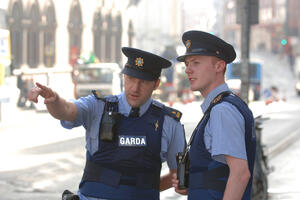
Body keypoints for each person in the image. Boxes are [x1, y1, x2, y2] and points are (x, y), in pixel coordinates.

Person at [28, 47, 186, 200]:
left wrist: (142, 187)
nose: (135, 88)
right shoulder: (97, 107)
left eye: (143, 82)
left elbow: (179, 175)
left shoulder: (169, 122)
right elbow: (67, 110)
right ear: (124, 77)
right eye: (131, 79)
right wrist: (54, 100)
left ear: (156, 84)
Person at [172, 30, 256, 200]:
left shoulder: (222, 110)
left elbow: (240, 174)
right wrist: (195, 183)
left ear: (219, 66)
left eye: (195, 62)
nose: (188, 70)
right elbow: (219, 176)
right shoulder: (221, 106)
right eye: (187, 63)